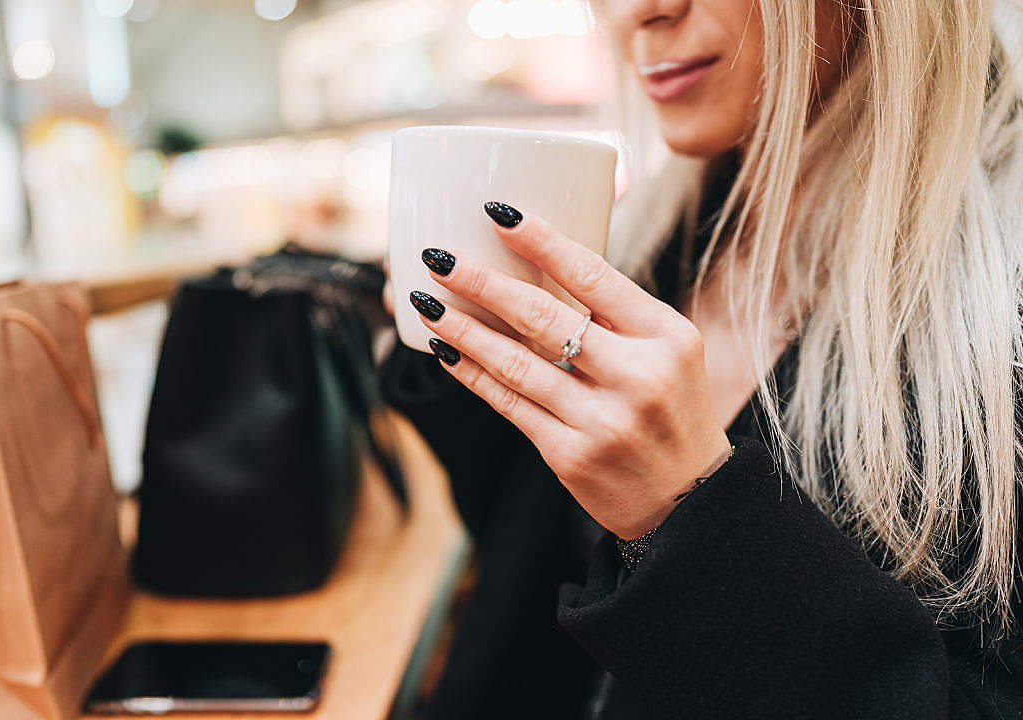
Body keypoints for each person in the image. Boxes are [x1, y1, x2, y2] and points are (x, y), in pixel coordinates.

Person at [378, 0, 1023, 717]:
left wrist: (687, 520)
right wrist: (465, 351)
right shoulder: (664, 233)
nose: (640, 12)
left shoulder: (999, 312)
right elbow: (535, 568)